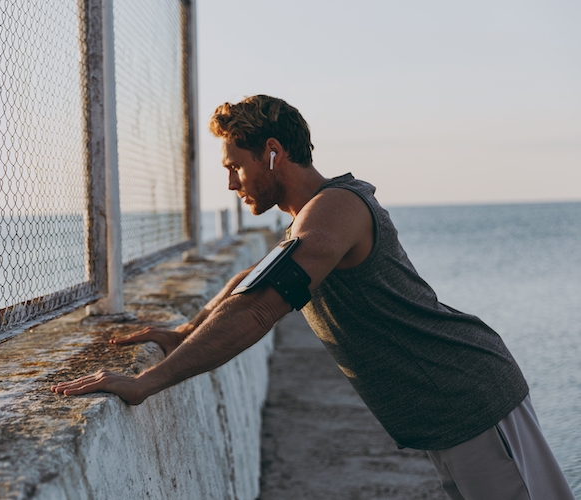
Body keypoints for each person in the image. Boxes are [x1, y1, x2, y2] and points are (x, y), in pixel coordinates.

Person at [51, 95, 574, 500]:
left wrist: (147, 382)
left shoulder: (334, 210)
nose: (232, 183)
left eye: (236, 166)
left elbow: (259, 309)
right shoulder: (310, 217)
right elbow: (251, 281)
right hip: (444, 412)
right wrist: (188, 331)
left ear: (273, 153)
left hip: (471, 398)